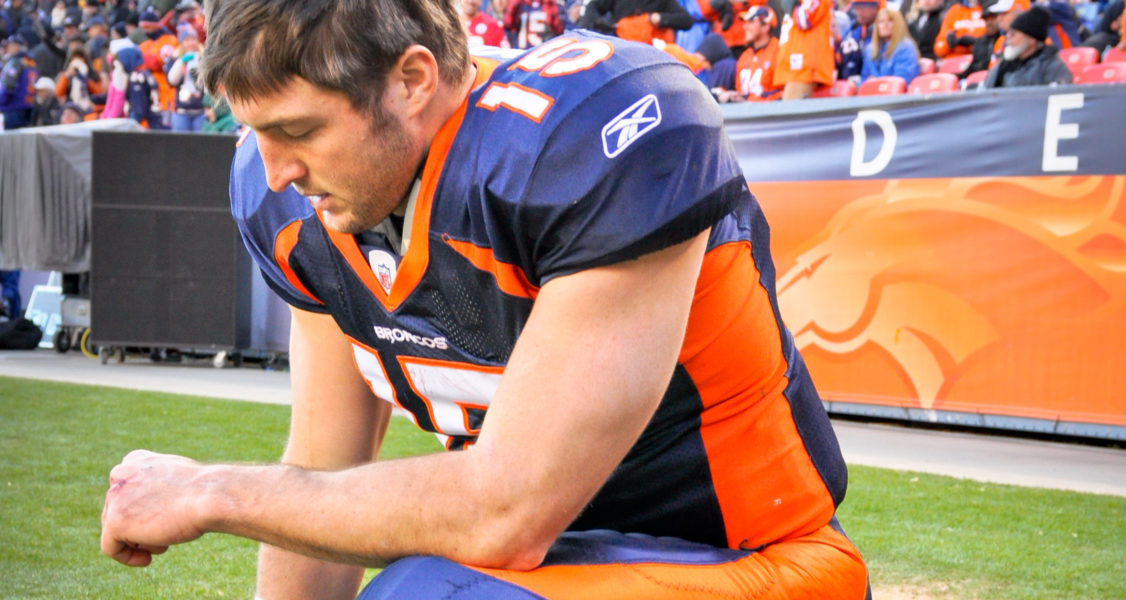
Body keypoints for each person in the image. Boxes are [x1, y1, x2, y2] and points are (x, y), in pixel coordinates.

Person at [99, 1, 870, 599]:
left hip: (754, 560)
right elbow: (318, 468)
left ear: (411, 79)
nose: (274, 172)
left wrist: (211, 490)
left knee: (435, 591)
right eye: (256, 133)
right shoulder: (304, 213)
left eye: (297, 129)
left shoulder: (584, 141)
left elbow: (504, 514)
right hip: (555, 572)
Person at [982, 6, 1074, 87]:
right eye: (1008, 33)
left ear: (1031, 40)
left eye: (1013, 34)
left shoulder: (1052, 67)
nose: (1008, 37)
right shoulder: (1005, 65)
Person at [719, 5, 783, 100]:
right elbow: (741, 91)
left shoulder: (779, 52)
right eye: (746, 22)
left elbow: (784, 93)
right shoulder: (745, 56)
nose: (745, 27)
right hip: (747, 113)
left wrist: (750, 100)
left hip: (773, 112)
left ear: (765, 26)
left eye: (751, 22)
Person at [776, 0, 835, 97]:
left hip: (805, 70)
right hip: (793, 69)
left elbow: (804, 20)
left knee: (791, 110)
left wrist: (792, 5)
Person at [578, 0, 693, 46]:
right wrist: (598, 22)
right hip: (620, 44)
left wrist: (660, 18)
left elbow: (687, 21)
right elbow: (593, 7)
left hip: (650, 50)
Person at [862, 6, 920, 81]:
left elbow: (902, 80)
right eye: (881, 21)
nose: (885, 25)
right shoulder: (870, 49)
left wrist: (875, 82)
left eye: (890, 20)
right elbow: (864, 78)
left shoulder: (906, 47)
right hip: (873, 91)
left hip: (896, 91)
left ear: (898, 24)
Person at [166, 25, 206, 131]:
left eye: (193, 39)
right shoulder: (175, 59)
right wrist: (181, 62)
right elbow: (172, 81)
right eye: (187, 40)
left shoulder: (204, 58)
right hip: (181, 111)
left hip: (201, 111)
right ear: (181, 43)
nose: (191, 43)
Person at [0, 33, 38, 129]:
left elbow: (8, 86)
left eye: (10, 45)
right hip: (28, 107)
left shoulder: (15, 62)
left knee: (10, 142)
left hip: (13, 109)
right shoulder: (31, 62)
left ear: (17, 46)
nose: (8, 48)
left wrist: (2, 101)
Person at [837, 0, 879, 80]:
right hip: (853, 75)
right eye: (856, 8)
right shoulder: (854, 26)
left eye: (861, 8)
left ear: (874, 8)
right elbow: (840, 41)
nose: (858, 12)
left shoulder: (883, 28)